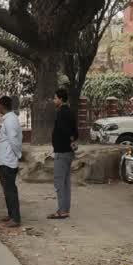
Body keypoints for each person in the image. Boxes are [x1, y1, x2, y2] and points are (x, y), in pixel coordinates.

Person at [48, 89, 78, 220]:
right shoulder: (71, 112)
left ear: (60, 99)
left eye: (55, 98)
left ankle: (62, 210)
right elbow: (75, 132)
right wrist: (72, 141)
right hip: (69, 152)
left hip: (61, 151)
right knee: (66, 182)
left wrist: (68, 141)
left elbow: (63, 131)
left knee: (59, 182)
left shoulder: (61, 113)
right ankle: (65, 209)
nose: (54, 101)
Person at [0, 96, 22, 228]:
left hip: (8, 160)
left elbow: (14, 140)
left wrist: (18, 155)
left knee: (10, 189)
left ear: (2, 106)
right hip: (4, 160)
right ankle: (11, 215)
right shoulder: (8, 119)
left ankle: (15, 218)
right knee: (7, 189)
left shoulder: (10, 120)